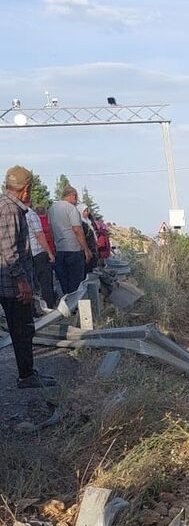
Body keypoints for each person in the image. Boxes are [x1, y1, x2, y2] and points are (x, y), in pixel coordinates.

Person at [0, 165, 56, 388]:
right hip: (11, 284)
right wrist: (21, 281)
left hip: (8, 281)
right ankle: (26, 376)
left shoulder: (7, 206)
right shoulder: (10, 209)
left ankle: (28, 372)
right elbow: (8, 248)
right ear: (25, 189)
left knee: (22, 329)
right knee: (22, 330)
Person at [48, 185, 91, 294]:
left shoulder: (52, 209)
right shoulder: (71, 209)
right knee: (76, 284)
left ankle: (67, 306)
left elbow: (51, 230)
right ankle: (76, 307)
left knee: (64, 284)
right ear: (72, 196)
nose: (76, 201)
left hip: (60, 250)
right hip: (74, 250)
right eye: (76, 198)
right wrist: (86, 250)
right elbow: (77, 230)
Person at [26, 204, 56, 308]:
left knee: (32, 283)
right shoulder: (31, 214)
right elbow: (39, 234)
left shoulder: (18, 215)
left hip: (26, 255)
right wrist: (49, 252)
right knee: (45, 282)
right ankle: (49, 306)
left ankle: (34, 309)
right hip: (38, 252)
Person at [78, 204, 99, 273]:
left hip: (92, 251)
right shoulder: (80, 224)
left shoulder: (89, 222)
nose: (87, 212)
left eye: (87, 210)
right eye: (84, 211)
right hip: (85, 251)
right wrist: (87, 250)